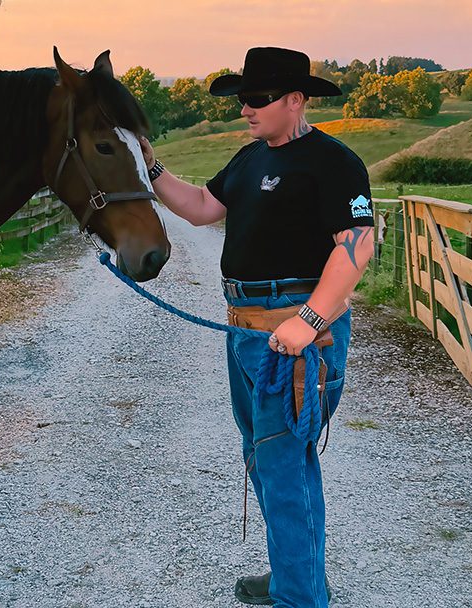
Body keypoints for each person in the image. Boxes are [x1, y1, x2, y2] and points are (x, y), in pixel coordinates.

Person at [138, 47, 375, 607]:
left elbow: (357, 247)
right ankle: (296, 578)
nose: (246, 108)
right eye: (242, 99)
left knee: (284, 464)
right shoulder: (249, 160)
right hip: (245, 332)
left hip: (297, 335)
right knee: (267, 460)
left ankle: (299, 597)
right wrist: (148, 166)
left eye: (258, 98)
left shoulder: (333, 162)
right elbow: (199, 206)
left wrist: (309, 320)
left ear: (296, 100)